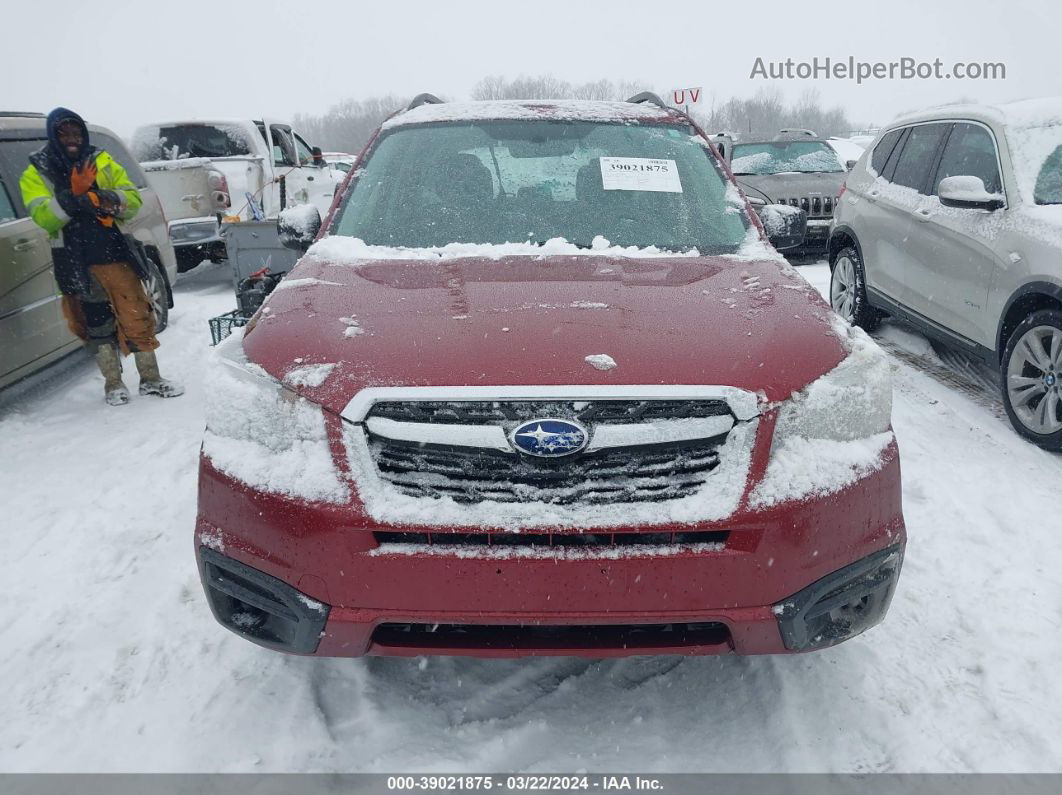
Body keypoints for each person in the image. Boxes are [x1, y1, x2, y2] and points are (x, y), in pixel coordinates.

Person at [19, 108, 183, 405]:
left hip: (115, 251)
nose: (72, 139)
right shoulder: (38, 170)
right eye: (64, 133)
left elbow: (131, 199)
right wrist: (74, 196)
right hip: (75, 259)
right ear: (53, 135)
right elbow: (44, 217)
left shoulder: (101, 159)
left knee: (138, 314)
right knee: (96, 321)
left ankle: (151, 379)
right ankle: (113, 384)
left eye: (76, 133)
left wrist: (107, 198)